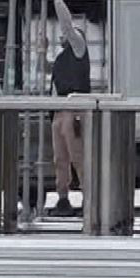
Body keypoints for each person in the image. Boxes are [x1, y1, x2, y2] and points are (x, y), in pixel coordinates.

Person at [50, 29, 92, 217]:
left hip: (74, 109)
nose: (63, 36)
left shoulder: (79, 50)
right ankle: (62, 197)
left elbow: (71, 31)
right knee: (60, 158)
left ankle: (88, 197)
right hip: (59, 109)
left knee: (78, 155)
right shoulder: (61, 59)